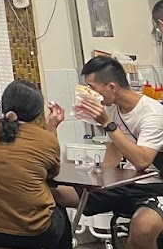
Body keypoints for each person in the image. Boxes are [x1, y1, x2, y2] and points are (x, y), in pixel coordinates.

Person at [55, 56, 163, 249]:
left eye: (92, 88)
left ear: (112, 87)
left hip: (156, 186)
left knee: (144, 227)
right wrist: (97, 180)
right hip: (128, 184)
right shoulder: (114, 109)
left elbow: (142, 161)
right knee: (56, 194)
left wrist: (106, 123)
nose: (89, 94)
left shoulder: (153, 113)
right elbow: (114, 151)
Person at [0, 80, 69, 249]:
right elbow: (51, 175)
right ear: (38, 112)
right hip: (31, 233)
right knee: (59, 211)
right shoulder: (46, 139)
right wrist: (52, 128)